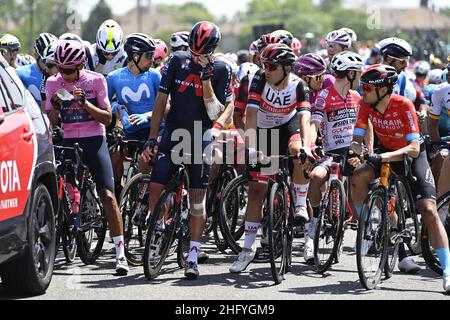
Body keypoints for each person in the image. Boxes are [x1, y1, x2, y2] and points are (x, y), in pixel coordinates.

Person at [141, 21, 232, 279]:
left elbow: (217, 111)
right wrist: (151, 137)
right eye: (193, 51)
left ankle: (193, 254)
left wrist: (206, 82)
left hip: (199, 137)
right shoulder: (177, 60)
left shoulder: (222, 69)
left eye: (201, 53)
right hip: (173, 133)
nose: (196, 56)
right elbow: (161, 100)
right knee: (157, 186)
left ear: (212, 50)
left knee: (196, 204)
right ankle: (158, 226)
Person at [349, 64, 450, 292]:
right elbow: (357, 138)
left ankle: (447, 271)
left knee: (429, 211)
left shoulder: (403, 105)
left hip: (410, 156)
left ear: (383, 89)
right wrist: (355, 153)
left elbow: (414, 148)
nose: (362, 91)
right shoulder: (366, 105)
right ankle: (372, 222)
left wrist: (381, 155)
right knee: (356, 177)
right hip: (385, 153)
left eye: (366, 87)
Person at [45, 40, 129, 275]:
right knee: (58, 186)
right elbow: (50, 120)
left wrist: (86, 104)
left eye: (70, 70)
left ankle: (120, 254)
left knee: (107, 195)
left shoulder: (95, 80)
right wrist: (55, 106)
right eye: (61, 68)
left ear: (81, 65)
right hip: (68, 140)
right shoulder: (53, 83)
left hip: (93, 139)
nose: (65, 74)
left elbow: (107, 119)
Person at [229, 43, 312, 274]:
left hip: (288, 126)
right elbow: (252, 115)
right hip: (263, 131)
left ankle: (299, 203)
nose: (266, 69)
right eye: (264, 64)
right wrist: (253, 148)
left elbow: (305, 120)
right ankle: (248, 249)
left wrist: (305, 146)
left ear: (287, 68)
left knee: (298, 151)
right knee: (257, 190)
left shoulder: (299, 85)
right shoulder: (257, 80)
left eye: (272, 66)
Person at [292, 52, 339, 262]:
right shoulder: (296, 88)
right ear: (304, 78)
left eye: (323, 76)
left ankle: (336, 213)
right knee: (306, 175)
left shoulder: (329, 82)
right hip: (304, 135)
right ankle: (308, 240)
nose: (322, 80)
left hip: (327, 134)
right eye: (317, 77)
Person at [107, 33, 160, 199]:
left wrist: (148, 115)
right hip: (129, 130)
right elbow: (105, 104)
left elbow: (167, 105)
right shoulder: (114, 77)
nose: (153, 59)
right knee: (114, 153)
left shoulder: (155, 76)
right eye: (149, 55)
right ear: (135, 56)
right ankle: (118, 190)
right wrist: (117, 109)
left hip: (150, 130)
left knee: (146, 158)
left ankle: (145, 192)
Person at [16, 33, 58, 105]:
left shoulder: (63, 74)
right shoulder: (20, 74)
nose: (48, 68)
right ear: (36, 54)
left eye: (54, 63)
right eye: (45, 61)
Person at [429, 57, 450, 198]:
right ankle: (440, 205)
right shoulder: (440, 90)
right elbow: (432, 125)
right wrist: (437, 150)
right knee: (441, 160)